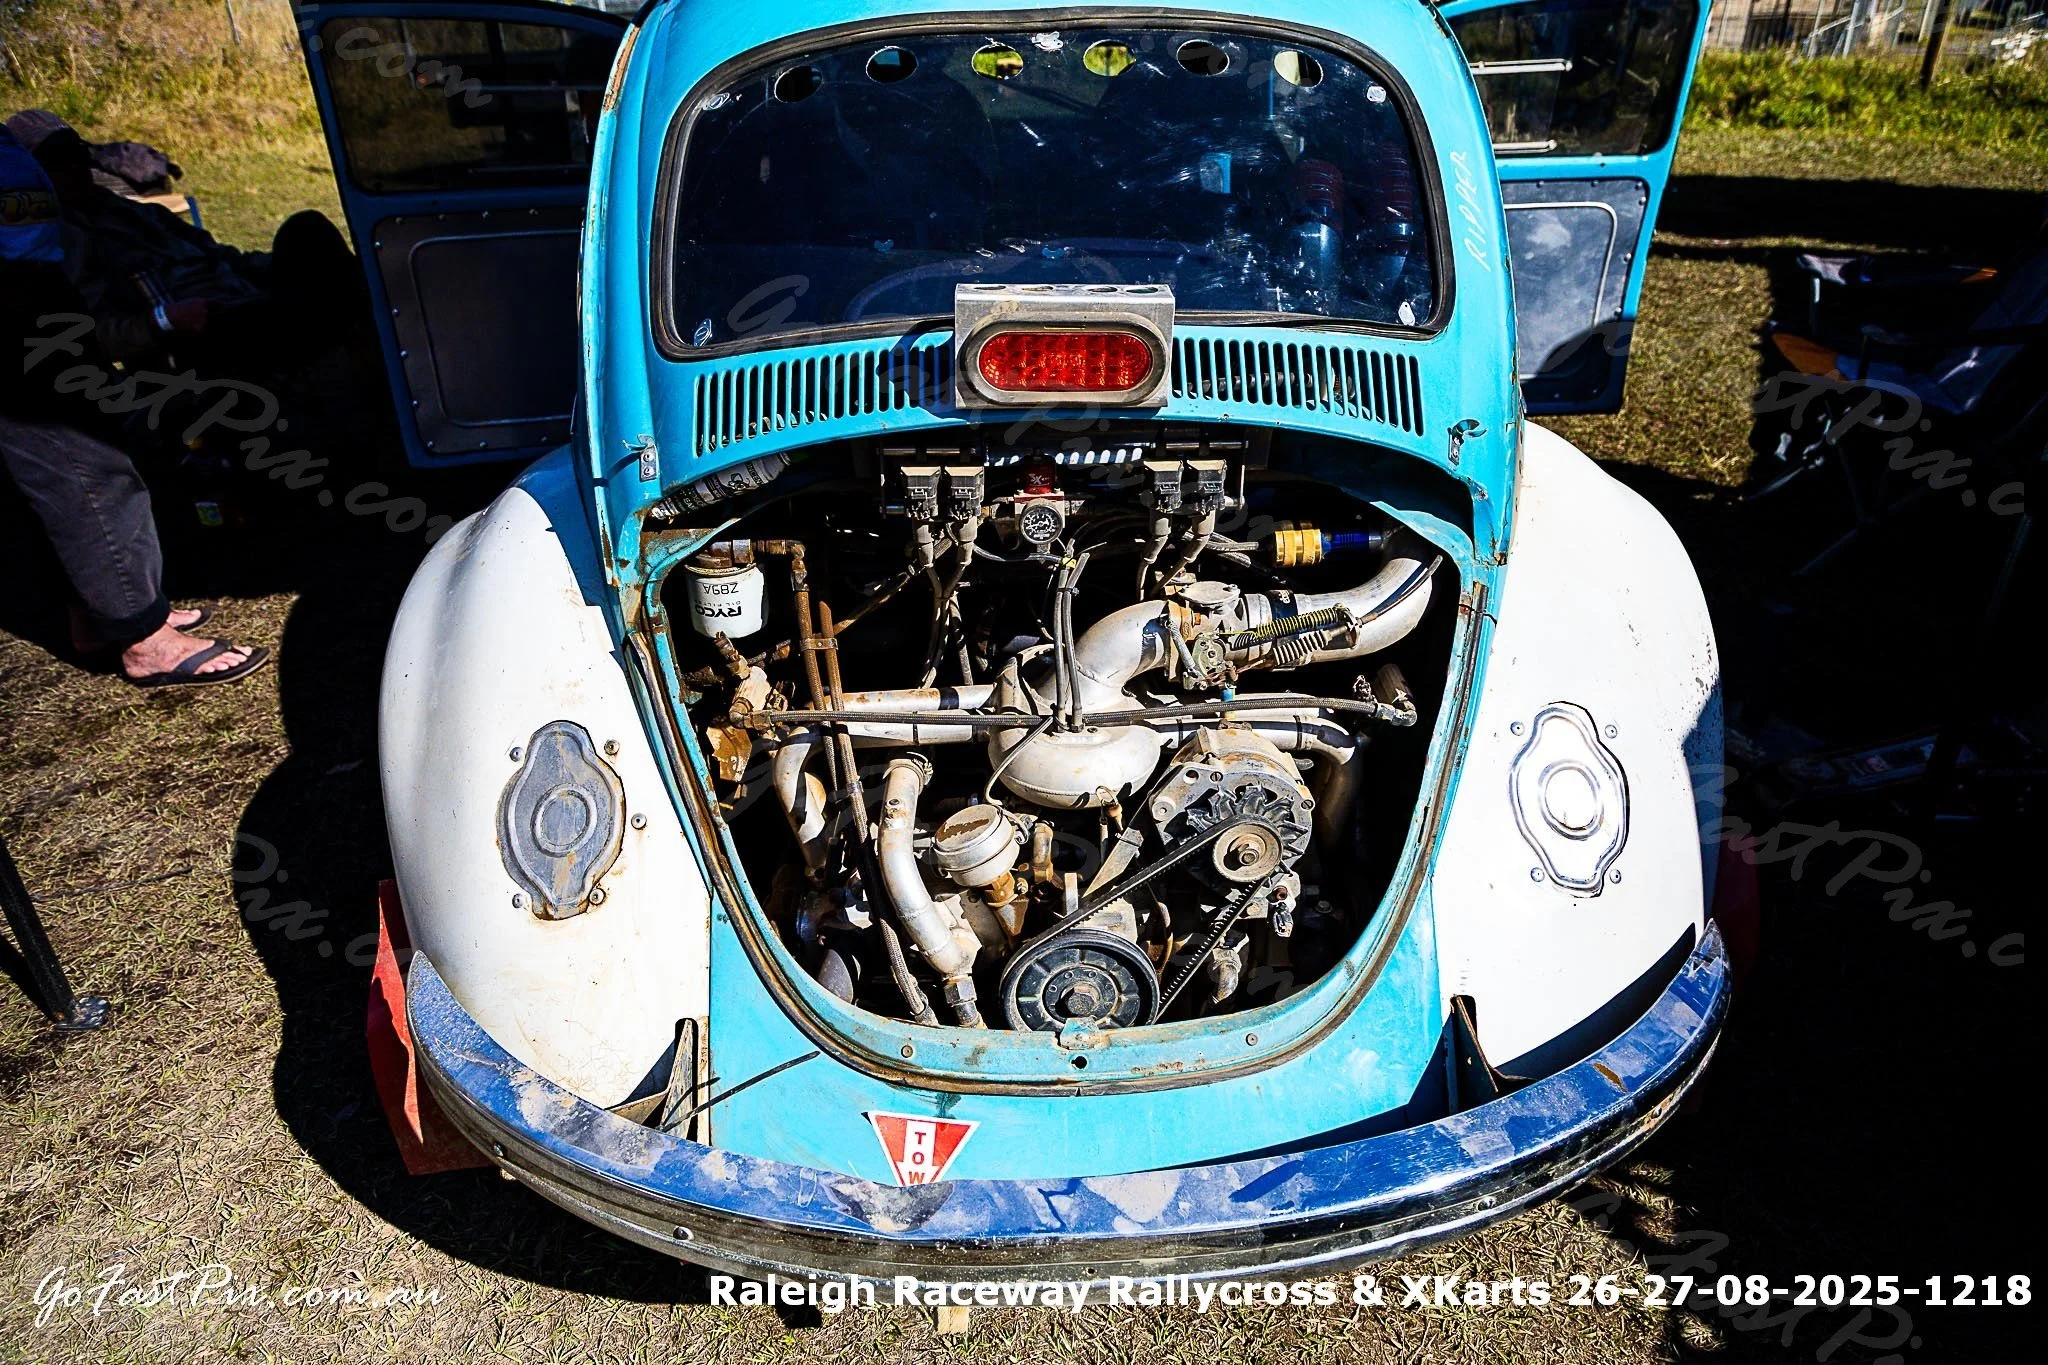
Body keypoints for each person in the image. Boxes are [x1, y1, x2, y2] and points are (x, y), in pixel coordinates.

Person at [1, 125, 268, 687]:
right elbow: (110, 329)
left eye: (78, 159)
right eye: (58, 163)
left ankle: (101, 615)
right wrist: (165, 322)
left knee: (57, 464)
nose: (73, 172)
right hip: (22, 304)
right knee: (83, 464)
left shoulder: (120, 212)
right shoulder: (78, 237)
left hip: (38, 290)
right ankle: (144, 641)